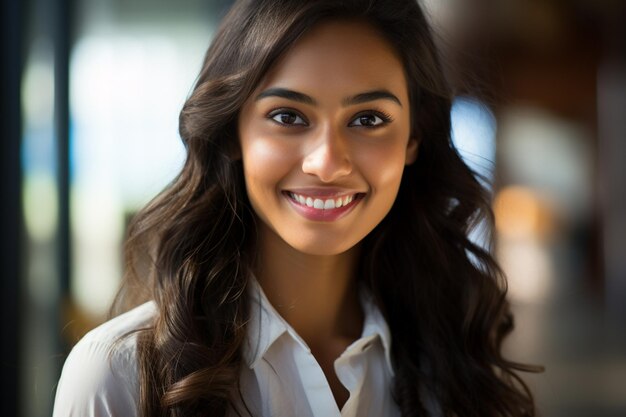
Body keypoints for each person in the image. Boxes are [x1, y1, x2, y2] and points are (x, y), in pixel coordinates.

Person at [53, 0, 541, 416]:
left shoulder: (453, 362)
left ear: (413, 137)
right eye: (287, 116)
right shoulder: (116, 375)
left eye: (368, 119)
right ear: (233, 133)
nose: (327, 163)